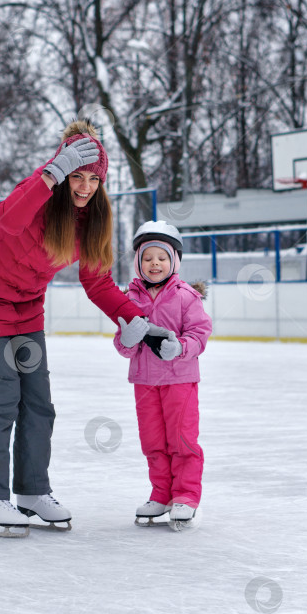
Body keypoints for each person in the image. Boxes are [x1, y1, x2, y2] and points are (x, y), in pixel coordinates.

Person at [0, 119, 151, 534]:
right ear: (62, 170)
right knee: (3, 393)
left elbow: (97, 282)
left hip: (25, 309)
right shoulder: (39, 193)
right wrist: (50, 174)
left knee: (39, 401)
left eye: (93, 178)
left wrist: (132, 317)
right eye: (76, 175)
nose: (84, 187)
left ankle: (31, 492)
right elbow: (5, 219)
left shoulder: (93, 219)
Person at [113, 220, 212, 528]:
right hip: (144, 382)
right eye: (147, 257)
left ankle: (184, 496)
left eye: (161, 257)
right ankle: (161, 494)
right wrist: (126, 340)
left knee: (182, 440)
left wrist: (180, 347)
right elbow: (123, 344)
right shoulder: (129, 299)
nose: (154, 263)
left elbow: (201, 333)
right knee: (153, 441)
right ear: (138, 263)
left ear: (174, 261)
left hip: (180, 381)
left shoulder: (186, 297)